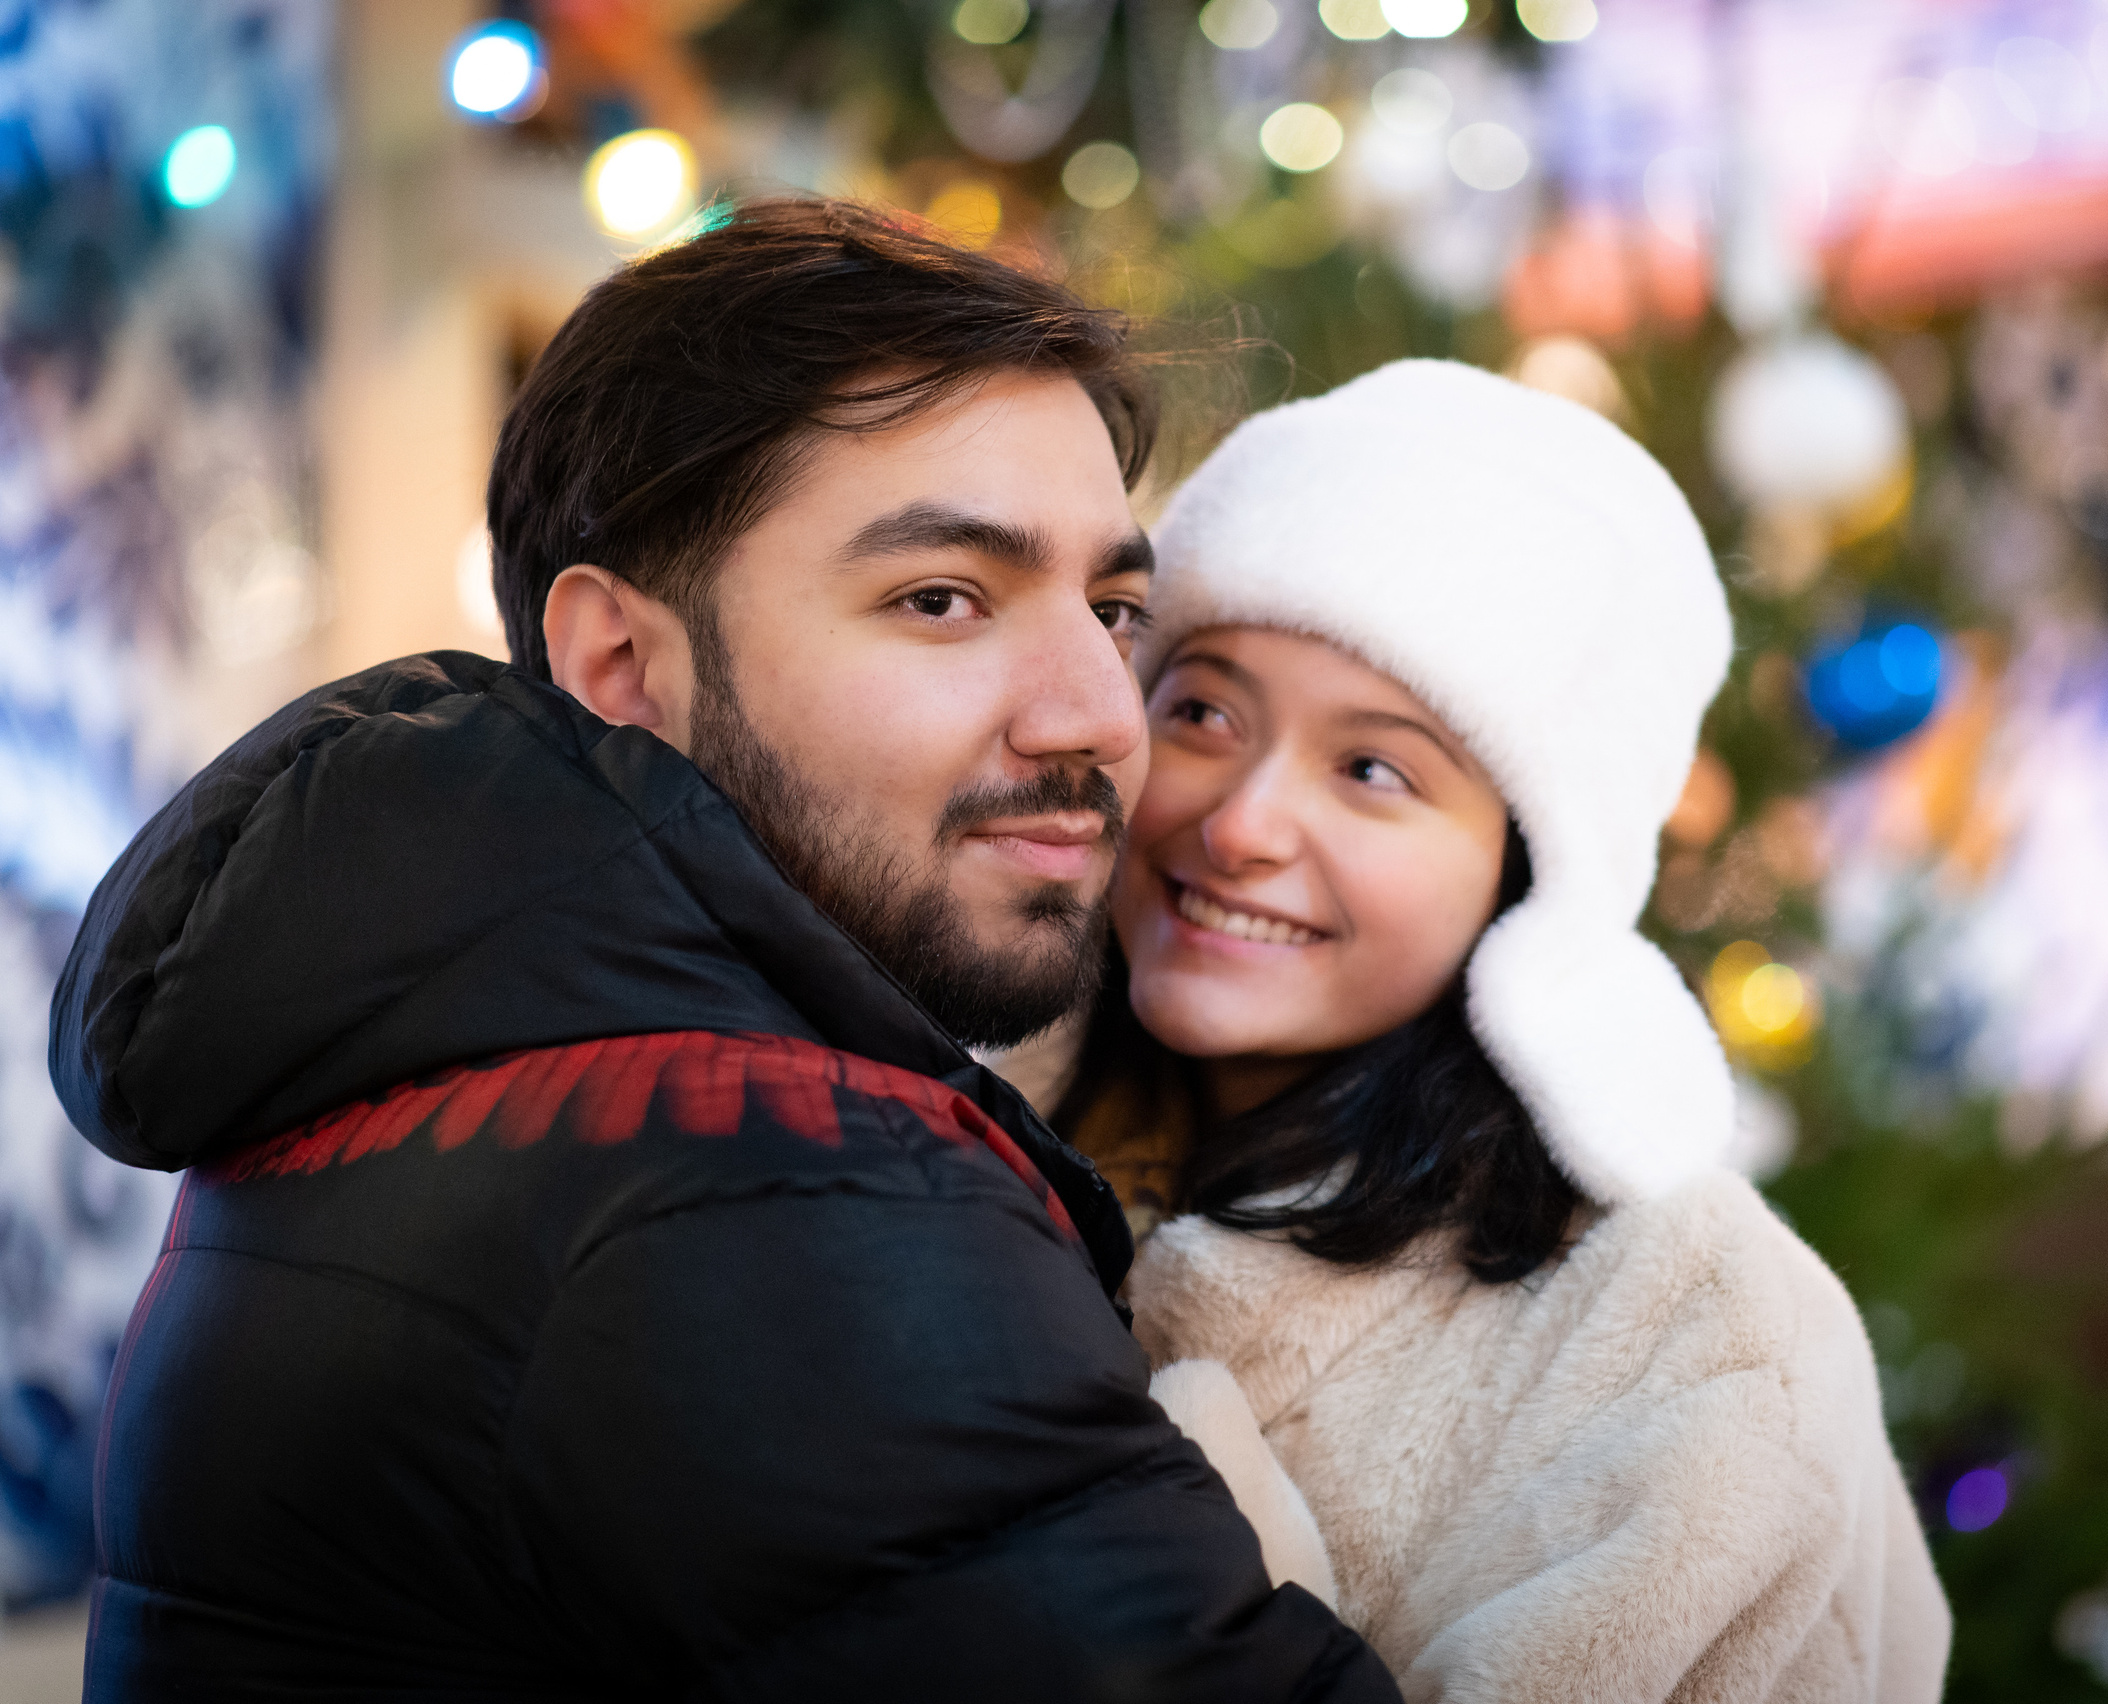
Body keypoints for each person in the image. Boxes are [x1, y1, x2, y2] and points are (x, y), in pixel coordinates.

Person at [48, 199, 1397, 1701]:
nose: (1099, 711)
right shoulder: (780, 1176)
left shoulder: (431, 1036)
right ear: (622, 667)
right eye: (942, 599)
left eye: (1115, 606)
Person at [1036, 360, 1953, 1702]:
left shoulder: (1693, 1330)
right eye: (1204, 711)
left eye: (1373, 769)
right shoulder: (951, 1144)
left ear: (1527, 874)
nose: (1238, 824)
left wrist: (1181, 1521)